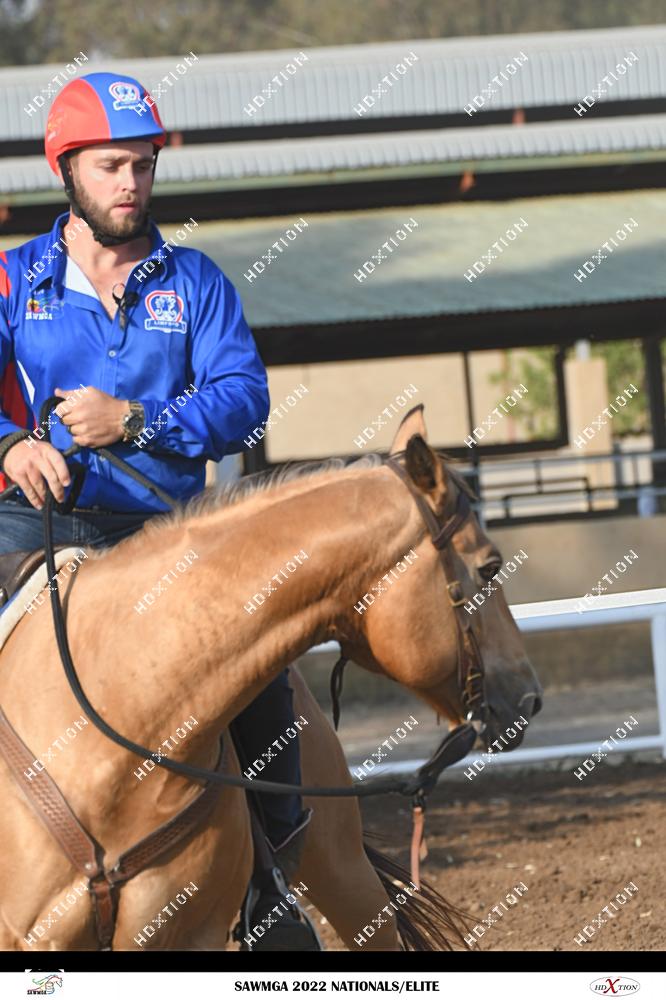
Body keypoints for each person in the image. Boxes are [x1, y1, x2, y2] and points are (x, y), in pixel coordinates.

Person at [0, 72, 316, 950]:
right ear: (66, 169)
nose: (130, 183)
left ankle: (269, 887)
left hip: (167, 535)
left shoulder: (199, 283)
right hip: (32, 525)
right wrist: (9, 445)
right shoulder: (9, 279)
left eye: (142, 165)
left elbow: (244, 400)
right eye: (111, 166)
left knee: (258, 672)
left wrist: (136, 420)